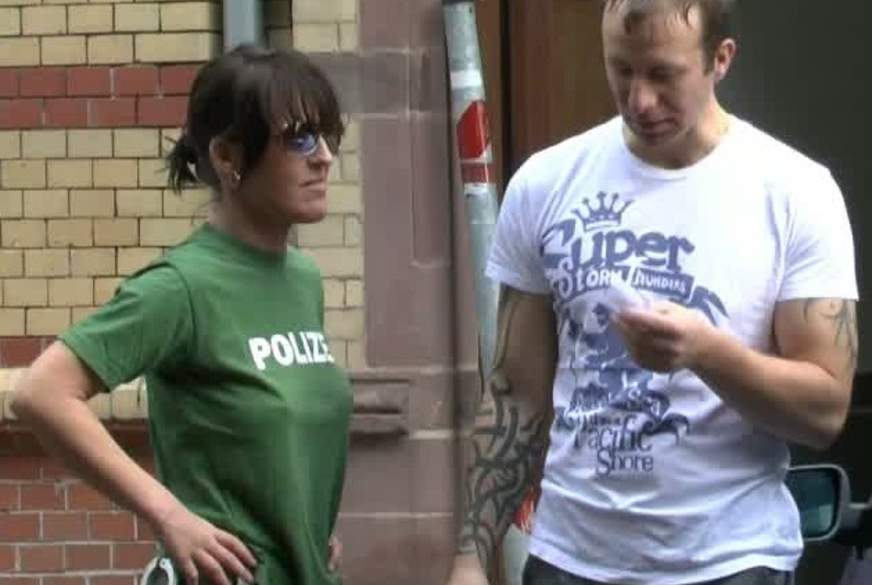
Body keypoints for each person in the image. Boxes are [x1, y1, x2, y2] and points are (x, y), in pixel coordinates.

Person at [446, 0, 859, 584]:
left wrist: (704, 352)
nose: (640, 100)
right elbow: (515, 395)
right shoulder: (545, 183)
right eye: (621, 69)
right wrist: (469, 557)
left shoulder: (796, 192)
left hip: (731, 562)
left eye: (664, 74)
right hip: (570, 560)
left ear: (721, 59)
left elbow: (825, 410)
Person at [12, 45, 352, 585]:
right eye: (300, 138)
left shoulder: (302, 279)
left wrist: (302, 522)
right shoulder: (182, 287)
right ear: (228, 156)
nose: (324, 158)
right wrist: (170, 516)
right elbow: (42, 393)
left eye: (329, 136)